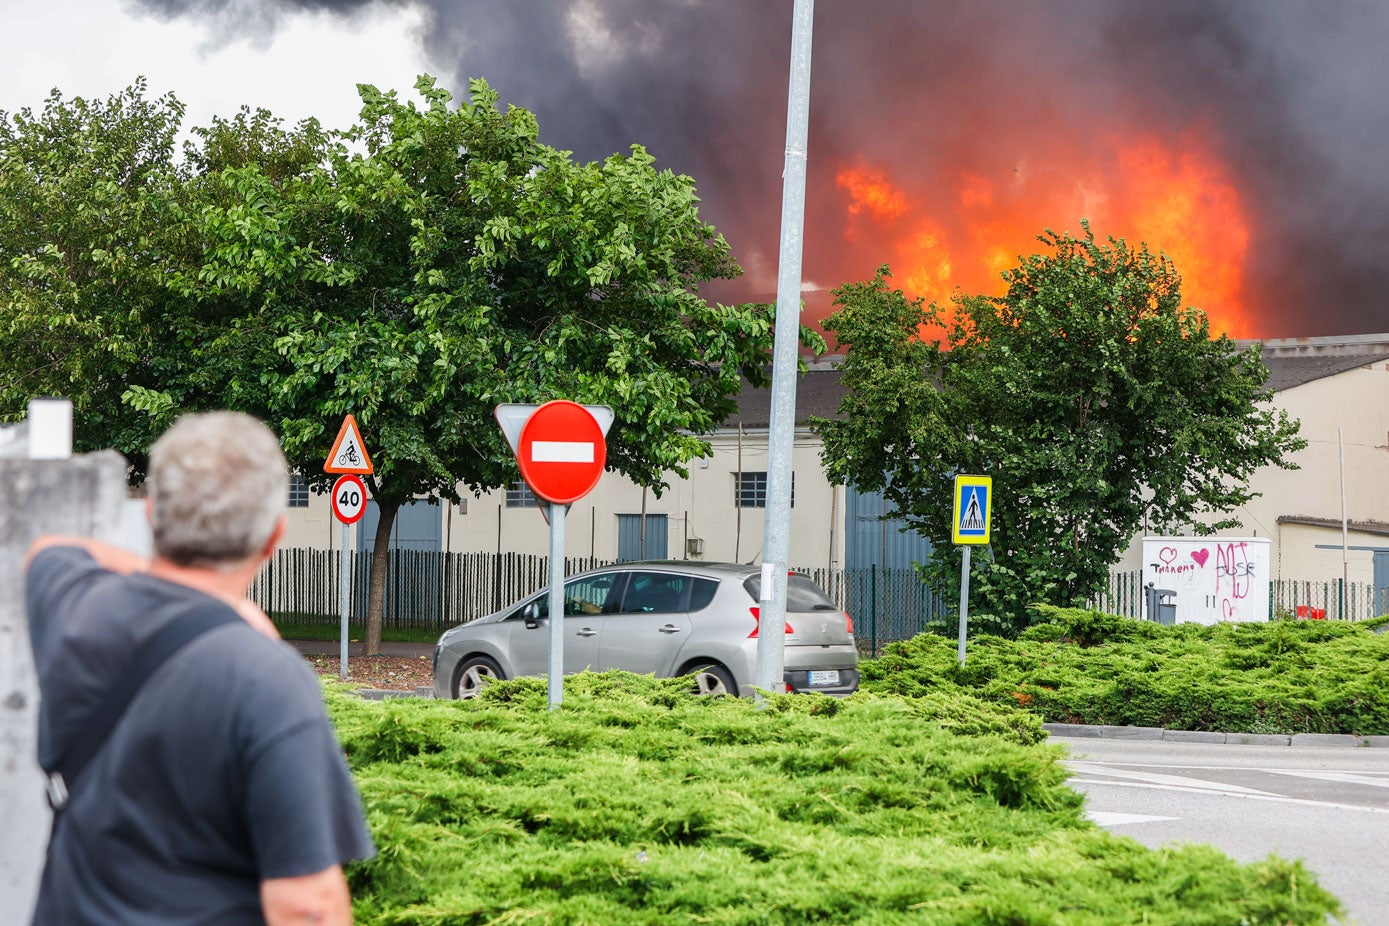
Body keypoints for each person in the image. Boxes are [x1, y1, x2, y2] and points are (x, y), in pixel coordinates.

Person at [25, 411, 375, 926]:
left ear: (149, 515)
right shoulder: (269, 679)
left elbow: (49, 549)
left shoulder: (75, 609)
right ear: (273, 538)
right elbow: (307, 908)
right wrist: (229, 607)